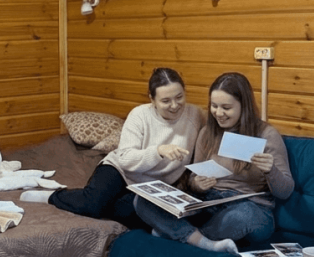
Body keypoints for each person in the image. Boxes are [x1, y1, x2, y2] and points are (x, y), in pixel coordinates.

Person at [134, 71, 295, 252]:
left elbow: (285, 192)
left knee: (243, 216)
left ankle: (178, 233)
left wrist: (271, 170)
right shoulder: (207, 132)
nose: (218, 113)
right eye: (214, 106)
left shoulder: (267, 135)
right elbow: (193, 180)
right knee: (142, 200)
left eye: (226, 107)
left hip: (250, 208)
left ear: (244, 106)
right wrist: (198, 184)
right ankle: (202, 241)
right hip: (209, 204)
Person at [21, 67, 204, 226]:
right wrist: (158, 151)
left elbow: (216, 128)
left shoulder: (195, 115)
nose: (174, 105)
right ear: (152, 99)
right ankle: (53, 196)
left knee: (137, 213)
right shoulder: (140, 115)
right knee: (92, 205)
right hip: (120, 170)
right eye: (165, 101)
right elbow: (125, 159)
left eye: (179, 97)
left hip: (152, 185)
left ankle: (107, 202)